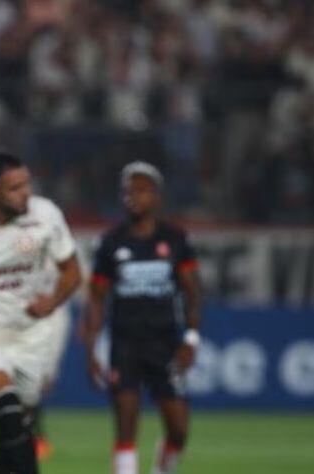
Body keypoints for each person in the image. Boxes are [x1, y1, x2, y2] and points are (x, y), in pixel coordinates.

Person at [82, 162, 202, 474]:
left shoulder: (175, 240)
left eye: (139, 191)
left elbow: (192, 293)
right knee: (125, 425)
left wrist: (190, 339)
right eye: (126, 192)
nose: (131, 197)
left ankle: (163, 468)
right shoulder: (112, 242)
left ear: (156, 196)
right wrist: (92, 347)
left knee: (178, 430)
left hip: (165, 342)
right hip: (125, 344)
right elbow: (96, 297)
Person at [0, 153, 83, 473]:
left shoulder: (45, 215)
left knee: (21, 423)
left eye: (27, 184)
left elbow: (72, 272)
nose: (26, 193)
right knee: (7, 408)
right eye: (15, 187)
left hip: (32, 333)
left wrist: (53, 301)